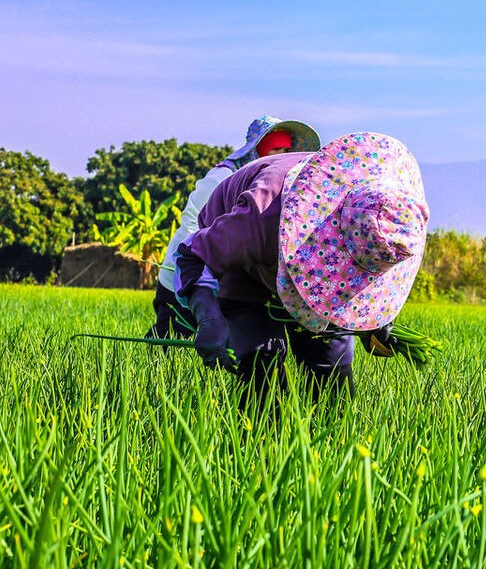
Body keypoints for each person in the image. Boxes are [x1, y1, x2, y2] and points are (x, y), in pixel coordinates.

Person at [171, 132, 429, 405]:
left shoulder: (396, 219)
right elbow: (193, 255)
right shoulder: (257, 217)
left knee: (333, 375)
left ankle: (333, 443)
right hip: (245, 270)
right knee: (262, 364)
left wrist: (374, 320)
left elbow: (371, 258)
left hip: (314, 263)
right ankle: (262, 443)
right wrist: (208, 317)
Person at [147, 116, 321, 338]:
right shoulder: (222, 177)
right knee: (170, 336)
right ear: (257, 150)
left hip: (224, 270)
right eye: (275, 149)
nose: (281, 156)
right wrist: (197, 266)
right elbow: (194, 223)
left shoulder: (277, 187)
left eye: (286, 149)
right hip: (185, 271)